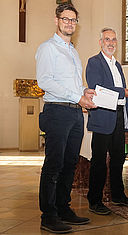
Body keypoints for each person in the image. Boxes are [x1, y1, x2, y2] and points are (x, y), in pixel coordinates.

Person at [36, 4, 96, 233]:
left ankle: (63, 208)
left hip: (74, 112)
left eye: (73, 20)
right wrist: (76, 96)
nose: (70, 23)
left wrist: (84, 91)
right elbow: (46, 82)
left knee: (70, 163)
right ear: (56, 20)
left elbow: (71, 84)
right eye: (66, 19)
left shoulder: (72, 51)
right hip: (57, 111)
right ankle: (48, 215)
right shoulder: (47, 48)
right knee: (54, 165)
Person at [86, 28, 128, 215]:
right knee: (99, 161)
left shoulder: (118, 65)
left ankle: (118, 195)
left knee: (118, 158)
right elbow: (97, 87)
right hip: (102, 116)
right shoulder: (94, 62)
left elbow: (122, 94)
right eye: (107, 39)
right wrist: (122, 91)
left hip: (118, 116)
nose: (111, 43)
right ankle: (95, 200)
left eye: (114, 39)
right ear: (100, 42)